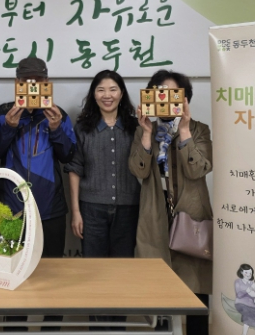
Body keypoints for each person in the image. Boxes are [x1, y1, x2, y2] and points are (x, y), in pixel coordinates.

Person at [128, 69, 212, 334]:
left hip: (190, 212)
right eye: (159, 93)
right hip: (156, 212)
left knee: (195, 287)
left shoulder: (199, 129)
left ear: (184, 99)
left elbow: (198, 170)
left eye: (173, 94)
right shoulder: (145, 130)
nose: (165, 99)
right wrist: (145, 134)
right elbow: (138, 171)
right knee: (159, 286)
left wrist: (184, 130)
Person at [0, 57, 76, 258]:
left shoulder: (58, 114)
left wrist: (56, 129)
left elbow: (68, 156)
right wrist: (9, 127)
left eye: (38, 80)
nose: (32, 85)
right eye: (26, 80)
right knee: (12, 266)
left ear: (46, 83)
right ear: (17, 83)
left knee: (51, 267)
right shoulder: (2, 113)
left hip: (50, 209)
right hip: (12, 208)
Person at [66, 70, 140, 257]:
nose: (107, 95)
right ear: (93, 94)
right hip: (91, 210)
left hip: (128, 208)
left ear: (121, 94)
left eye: (113, 90)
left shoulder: (136, 127)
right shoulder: (82, 128)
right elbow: (75, 170)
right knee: (94, 266)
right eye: (101, 90)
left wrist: (146, 132)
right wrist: (76, 211)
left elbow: (145, 165)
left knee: (123, 266)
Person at [234, 264, 255, 335]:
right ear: (241, 272)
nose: (248, 275)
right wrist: (247, 290)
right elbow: (239, 295)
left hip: (251, 305)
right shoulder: (238, 282)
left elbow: (253, 296)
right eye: (246, 272)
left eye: (250, 273)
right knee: (248, 313)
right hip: (241, 304)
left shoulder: (252, 283)